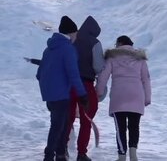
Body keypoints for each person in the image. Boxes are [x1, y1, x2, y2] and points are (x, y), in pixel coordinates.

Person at [36, 16, 88, 161]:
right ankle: (49, 155)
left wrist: (48, 88)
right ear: (71, 33)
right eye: (75, 34)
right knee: (58, 126)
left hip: (50, 95)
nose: (76, 37)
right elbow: (73, 74)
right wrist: (82, 95)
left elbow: (39, 74)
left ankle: (60, 154)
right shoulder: (67, 49)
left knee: (63, 125)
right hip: (61, 95)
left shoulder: (48, 49)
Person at [96, 35, 151, 161]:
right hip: (136, 96)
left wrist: (98, 91)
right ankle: (133, 155)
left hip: (118, 96)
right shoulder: (140, 58)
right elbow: (146, 79)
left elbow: (104, 76)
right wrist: (147, 98)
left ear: (120, 43)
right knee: (134, 126)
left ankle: (121, 156)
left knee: (120, 128)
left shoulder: (112, 57)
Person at [66, 15, 105, 161]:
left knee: (67, 118)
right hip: (85, 84)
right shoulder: (95, 42)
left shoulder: (71, 40)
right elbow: (98, 66)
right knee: (86, 119)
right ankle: (81, 153)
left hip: (69, 85)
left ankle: (62, 149)